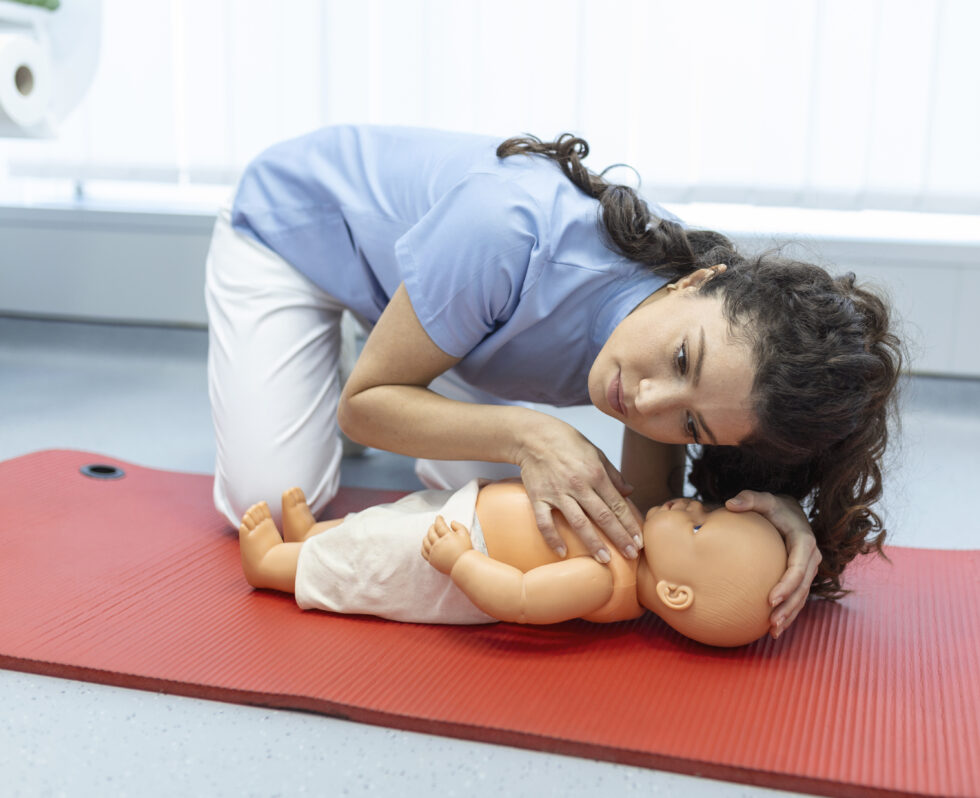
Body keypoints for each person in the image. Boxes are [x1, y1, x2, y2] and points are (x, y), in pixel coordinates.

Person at [206, 126, 903, 639]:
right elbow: (362, 409)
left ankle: (409, 341)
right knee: (263, 499)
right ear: (692, 282)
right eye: (681, 360)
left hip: (464, 318)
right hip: (294, 231)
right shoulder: (510, 230)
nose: (648, 403)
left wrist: (773, 520)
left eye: (692, 425)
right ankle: (379, 343)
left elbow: (647, 523)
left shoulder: (694, 352)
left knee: (525, 516)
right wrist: (530, 433)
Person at [238, 484, 788, 648]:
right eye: (706, 508)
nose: (692, 506)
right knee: (383, 521)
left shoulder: (603, 579)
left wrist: (462, 561)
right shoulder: (635, 541)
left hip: (460, 551)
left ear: (674, 593)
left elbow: (521, 598)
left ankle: (273, 564)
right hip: (465, 510)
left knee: (372, 557)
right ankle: (315, 536)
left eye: (698, 526)